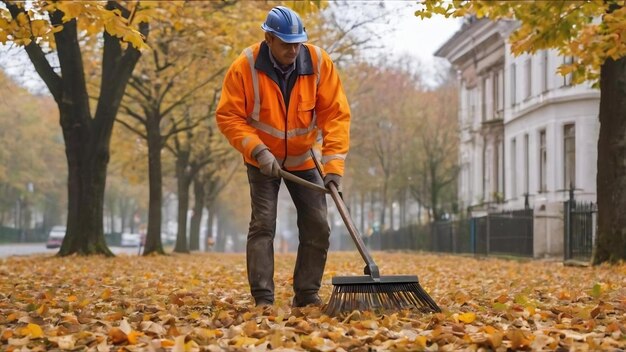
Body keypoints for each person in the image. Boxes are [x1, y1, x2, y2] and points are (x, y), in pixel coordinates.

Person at [215, 6, 351, 307]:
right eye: (286, 43)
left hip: (304, 158)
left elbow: (335, 116)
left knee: (317, 224)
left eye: (297, 42)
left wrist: (334, 167)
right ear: (269, 38)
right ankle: (263, 297)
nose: (293, 49)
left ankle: (307, 294)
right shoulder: (245, 66)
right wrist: (258, 150)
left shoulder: (318, 63)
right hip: (262, 160)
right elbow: (229, 116)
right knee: (263, 225)